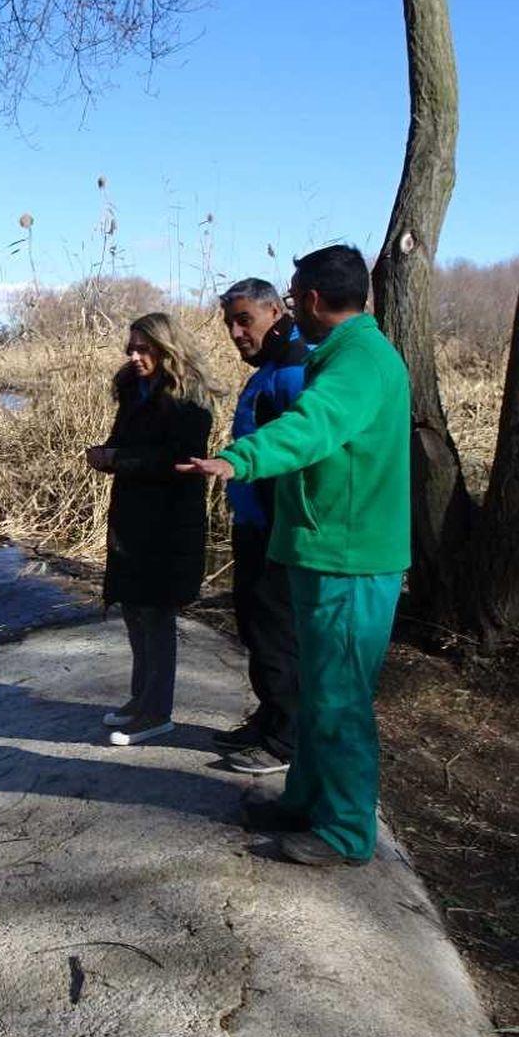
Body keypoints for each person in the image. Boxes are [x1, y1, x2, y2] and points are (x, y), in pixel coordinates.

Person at [179, 245, 410, 867]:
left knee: (339, 699)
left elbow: (312, 427)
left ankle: (344, 832)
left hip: (350, 560)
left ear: (309, 299)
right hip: (325, 552)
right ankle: (306, 799)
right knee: (319, 690)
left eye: (292, 294)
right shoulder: (342, 356)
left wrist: (239, 459)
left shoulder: (359, 362)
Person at [86, 313, 220, 747]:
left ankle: (157, 712)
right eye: (132, 347)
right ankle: (140, 697)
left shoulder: (191, 398)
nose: (135, 355)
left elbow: (182, 462)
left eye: (144, 348)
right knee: (132, 607)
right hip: (132, 516)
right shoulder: (131, 387)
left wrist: (116, 460)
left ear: (167, 350)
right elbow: (128, 443)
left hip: (169, 522)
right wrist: (107, 453)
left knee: (156, 613)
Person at [214, 279, 309, 775]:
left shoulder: (294, 369)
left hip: (278, 528)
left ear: (275, 311)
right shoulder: (271, 367)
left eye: (244, 319)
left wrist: (281, 521)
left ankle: (286, 741)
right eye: (230, 321)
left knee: (277, 631)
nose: (235, 331)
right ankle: (270, 715)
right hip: (253, 523)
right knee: (254, 625)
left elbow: (303, 450)